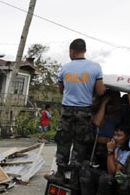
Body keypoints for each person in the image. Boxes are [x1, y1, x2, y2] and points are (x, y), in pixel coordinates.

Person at [45, 39, 105, 186]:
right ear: (84, 50)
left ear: (72, 51)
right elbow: (100, 91)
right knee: (80, 143)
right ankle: (75, 178)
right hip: (84, 111)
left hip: (67, 110)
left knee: (63, 141)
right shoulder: (95, 67)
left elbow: (61, 90)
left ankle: (60, 173)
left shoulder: (65, 68)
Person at [78, 122, 130, 195]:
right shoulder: (116, 146)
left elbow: (113, 172)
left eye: (119, 136)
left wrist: (111, 152)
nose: (115, 138)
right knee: (85, 171)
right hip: (109, 173)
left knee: (106, 178)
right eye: (115, 135)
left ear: (127, 137)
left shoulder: (128, 152)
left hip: (120, 180)